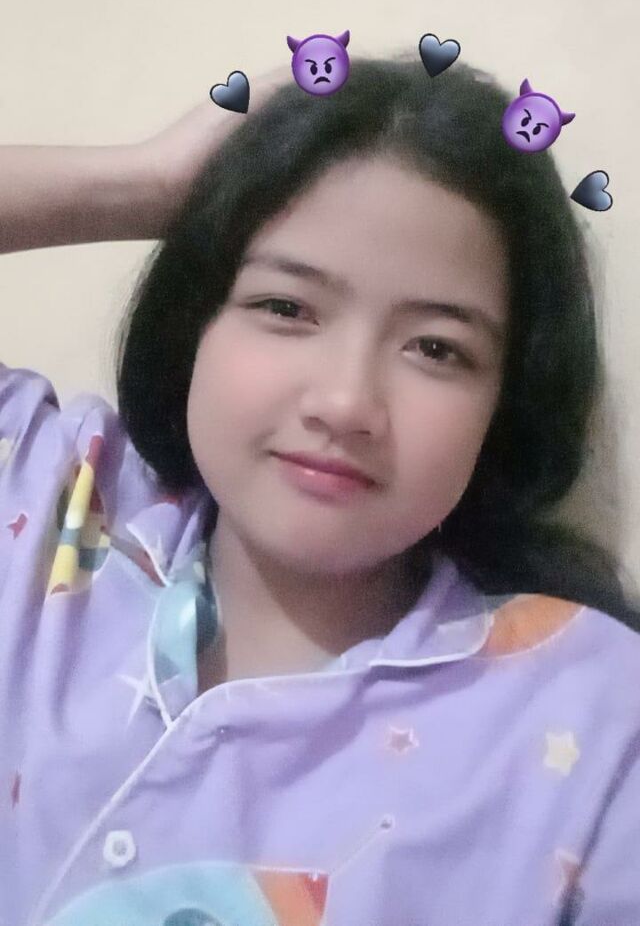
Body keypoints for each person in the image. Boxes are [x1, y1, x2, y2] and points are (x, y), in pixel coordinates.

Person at [0, 54, 639, 925]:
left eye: (437, 349)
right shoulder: (50, 495)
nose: (345, 404)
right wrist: (144, 185)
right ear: (195, 321)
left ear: (507, 403)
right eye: (287, 308)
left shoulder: (600, 725)